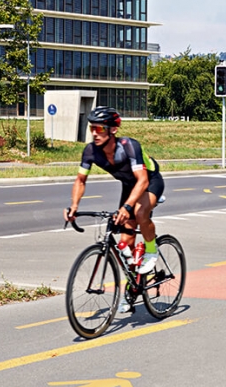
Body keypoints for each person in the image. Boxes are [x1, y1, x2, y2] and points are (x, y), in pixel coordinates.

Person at [64, 107, 164, 302]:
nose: (94, 133)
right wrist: (74, 206)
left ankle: (151, 250)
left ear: (113, 130)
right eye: (92, 128)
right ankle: (135, 281)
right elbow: (80, 181)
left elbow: (142, 181)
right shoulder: (91, 151)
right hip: (129, 186)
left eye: (100, 129)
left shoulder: (128, 147)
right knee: (125, 241)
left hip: (150, 181)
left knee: (139, 212)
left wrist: (127, 207)